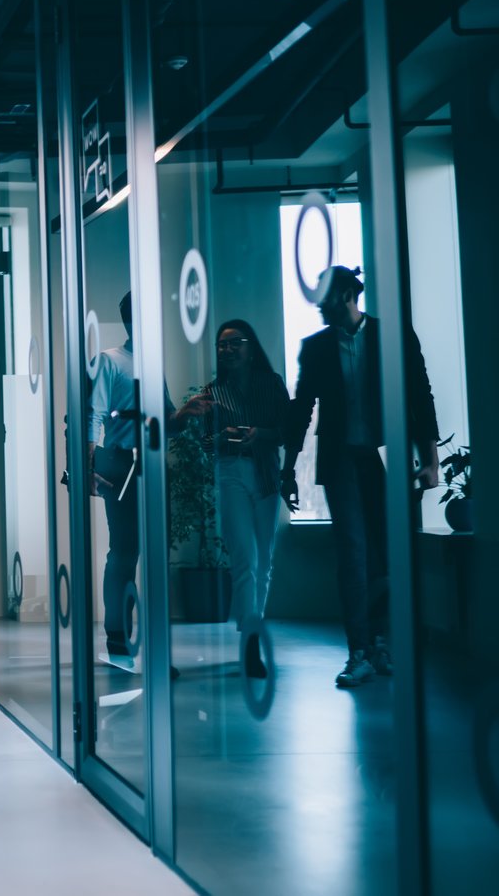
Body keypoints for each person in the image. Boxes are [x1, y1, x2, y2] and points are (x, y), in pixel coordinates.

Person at [282, 266, 439, 689]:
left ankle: (382, 644)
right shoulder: (316, 348)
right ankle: (359, 651)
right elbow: (301, 410)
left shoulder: (393, 336)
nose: (319, 306)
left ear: (349, 294)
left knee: (387, 554)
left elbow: (419, 395)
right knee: (352, 554)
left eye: (325, 298)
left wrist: (431, 460)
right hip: (341, 462)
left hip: (385, 458)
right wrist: (288, 468)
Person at [175, 319, 290, 678]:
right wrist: (223, 436)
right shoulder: (212, 392)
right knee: (244, 558)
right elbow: (205, 443)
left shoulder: (271, 384)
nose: (227, 350)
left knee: (264, 561)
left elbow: (287, 430)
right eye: (222, 345)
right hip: (230, 471)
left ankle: (253, 625)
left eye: (235, 343)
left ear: (250, 348)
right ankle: (251, 641)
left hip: (266, 472)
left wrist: (261, 434)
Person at [88, 292, 142, 673]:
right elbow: (93, 413)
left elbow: (164, 415)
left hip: (151, 466)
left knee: (144, 553)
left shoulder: (152, 363)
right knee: (123, 552)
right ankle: (118, 638)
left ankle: (144, 645)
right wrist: (89, 466)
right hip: (122, 464)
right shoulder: (110, 360)